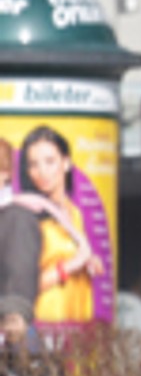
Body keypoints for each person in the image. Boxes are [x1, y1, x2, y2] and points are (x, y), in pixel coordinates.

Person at [21, 126, 97, 325]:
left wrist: (88, 262)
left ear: (66, 162)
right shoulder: (28, 214)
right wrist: (71, 266)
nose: (41, 172)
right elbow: (21, 283)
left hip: (78, 319)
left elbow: (70, 255)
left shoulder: (75, 213)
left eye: (49, 161)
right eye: (33, 164)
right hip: (44, 327)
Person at [0, 139, 46, 347]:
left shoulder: (15, 216)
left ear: (6, 173)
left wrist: (14, 313)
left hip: (8, 340)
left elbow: (20, 267)